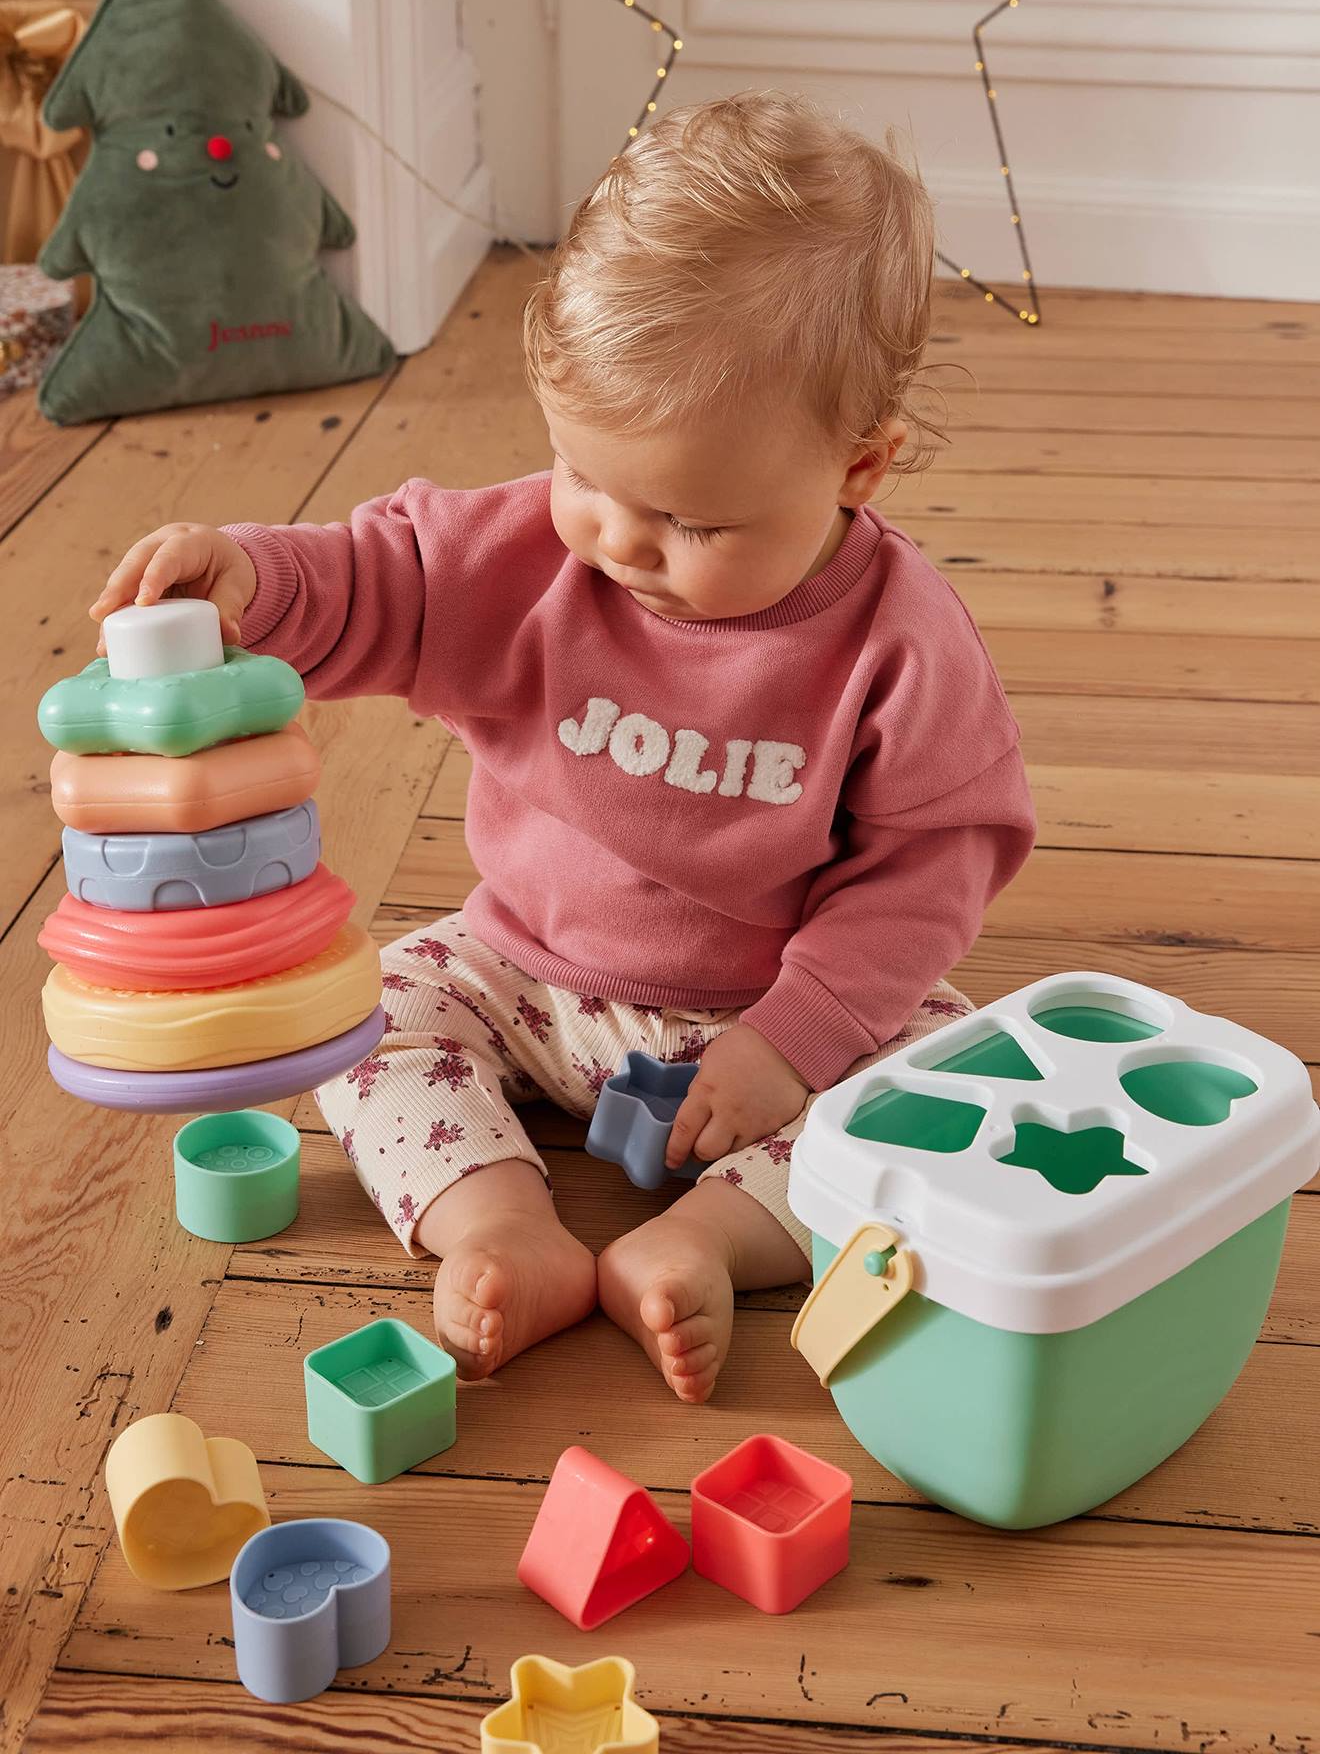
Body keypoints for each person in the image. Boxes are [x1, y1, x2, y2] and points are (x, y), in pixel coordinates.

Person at [91, 92, 1036, 1404]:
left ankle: (706, 1242)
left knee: (950, 1094)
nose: (620, 541)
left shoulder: (901, 641)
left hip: (764, 1008)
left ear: (858, 468)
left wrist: (791, 1041)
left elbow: (932, 865)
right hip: (519, 972)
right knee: (359, 1016)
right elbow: (383, 580)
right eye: (583, 474)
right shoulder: (530, 555)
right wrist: (255, 579)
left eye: (692, 522)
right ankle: (498, 1223)